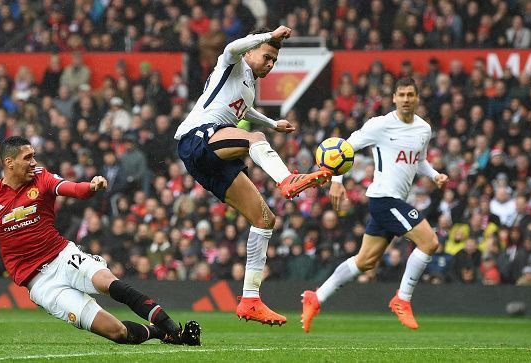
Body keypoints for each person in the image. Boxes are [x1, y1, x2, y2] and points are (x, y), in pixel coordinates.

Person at [0, 136, 200, 346]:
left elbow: (71, 188)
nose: (34, 162)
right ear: (9, 163)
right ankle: (161, 333)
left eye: (34, 156)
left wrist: (91, 187)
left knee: (108, 282)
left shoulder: (41, 177)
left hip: (63, 256)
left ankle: (173, 329)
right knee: (116, 332)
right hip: (41, 284)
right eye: (27, 157)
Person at [175, 26, 331, 326]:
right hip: (197, 138)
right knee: (253, 138)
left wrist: (273, 123)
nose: (270, 65)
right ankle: (287, 180)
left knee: (265, 220)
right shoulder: (232, 63)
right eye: (267, 57)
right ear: (251, 51)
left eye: (274, 61)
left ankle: (250, 300)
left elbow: (244, 112)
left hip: (213, 155)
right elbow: (231, 47)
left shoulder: (248, 84)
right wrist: (269, 34)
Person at [301, 78, 449, 332]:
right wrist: (337, 181)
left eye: (410, 94)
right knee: (430, 242)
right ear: (393, 97)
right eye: (401, 94)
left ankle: (317, 296)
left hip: (394, 200)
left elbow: (419, 160)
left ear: (417, 98)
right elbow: (344, 148)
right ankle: (402, 299)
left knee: (365, 261)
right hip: (383, 198)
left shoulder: (423, 129)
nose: (405, 99)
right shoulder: (380, 125)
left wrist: (434, 174)